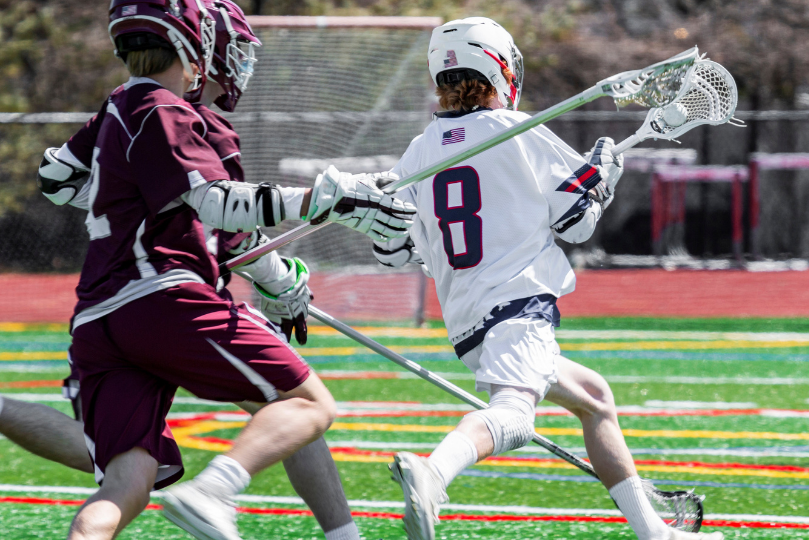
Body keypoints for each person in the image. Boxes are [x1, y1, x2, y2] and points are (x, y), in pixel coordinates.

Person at [32, 1, 414, 539]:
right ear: (196, 46)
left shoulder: (119, 106)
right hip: (163, 296)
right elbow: (218, 205)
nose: (238, 65)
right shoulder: (172, 111)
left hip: (98, 316)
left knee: (128, 479)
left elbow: (57, 178)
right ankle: (216, 492)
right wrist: (322, 199)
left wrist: (279, 280)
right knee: (307, 405)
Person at [372, 17, 722, 540]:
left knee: (594, 397)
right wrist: (602, 174)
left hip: (466, 322)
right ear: (501, 69)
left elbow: (393, 249)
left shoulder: (421, 150)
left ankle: (655, 532)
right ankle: (434, 472)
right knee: (515, 416)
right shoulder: (520, 131)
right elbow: (575, 223)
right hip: (517, 308)